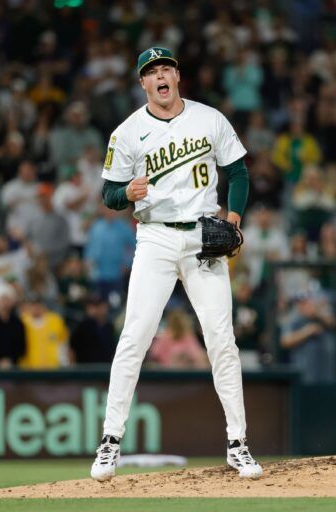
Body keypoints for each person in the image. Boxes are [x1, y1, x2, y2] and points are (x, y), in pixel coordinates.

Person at [89, 47, 262, 481]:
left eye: (166, 68)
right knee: (135, 336)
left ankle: (238, 443)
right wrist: (125, 194)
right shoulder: (127, 132)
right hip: (156, 237)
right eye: (151, 72)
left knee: (222, 339)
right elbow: (108, 194)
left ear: (177, 75)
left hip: (204, 235)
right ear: (143, 84)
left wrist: (234, 217)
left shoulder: (209, 119)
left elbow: (238, 172)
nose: (160, 76)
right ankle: (110, 441)